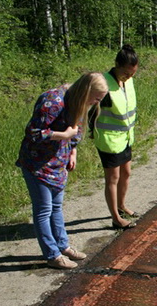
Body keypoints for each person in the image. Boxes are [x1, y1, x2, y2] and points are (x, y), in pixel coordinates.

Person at [16, 72, 108, 270]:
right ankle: (52, 255)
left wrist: (72, 150)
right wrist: (63, 135)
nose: (96, 103)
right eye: (96, 98)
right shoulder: (53, 100)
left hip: (58, 163)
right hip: (37, 164)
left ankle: (63, 246)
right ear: (86, 91)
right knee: (43, 210)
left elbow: (77, 128)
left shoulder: (79, 102)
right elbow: (33, 133)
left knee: (56, 207)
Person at [92, 44, 140, 230]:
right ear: (117, 65)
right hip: (109, 139)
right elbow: (89, 109)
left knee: (126, 173)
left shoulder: (128, 80)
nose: (130, 77)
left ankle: (121, 206)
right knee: (113, 178)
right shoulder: (103, 83)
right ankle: (115, 219)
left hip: (126, 137)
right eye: (127, 73)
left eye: (133, 74)